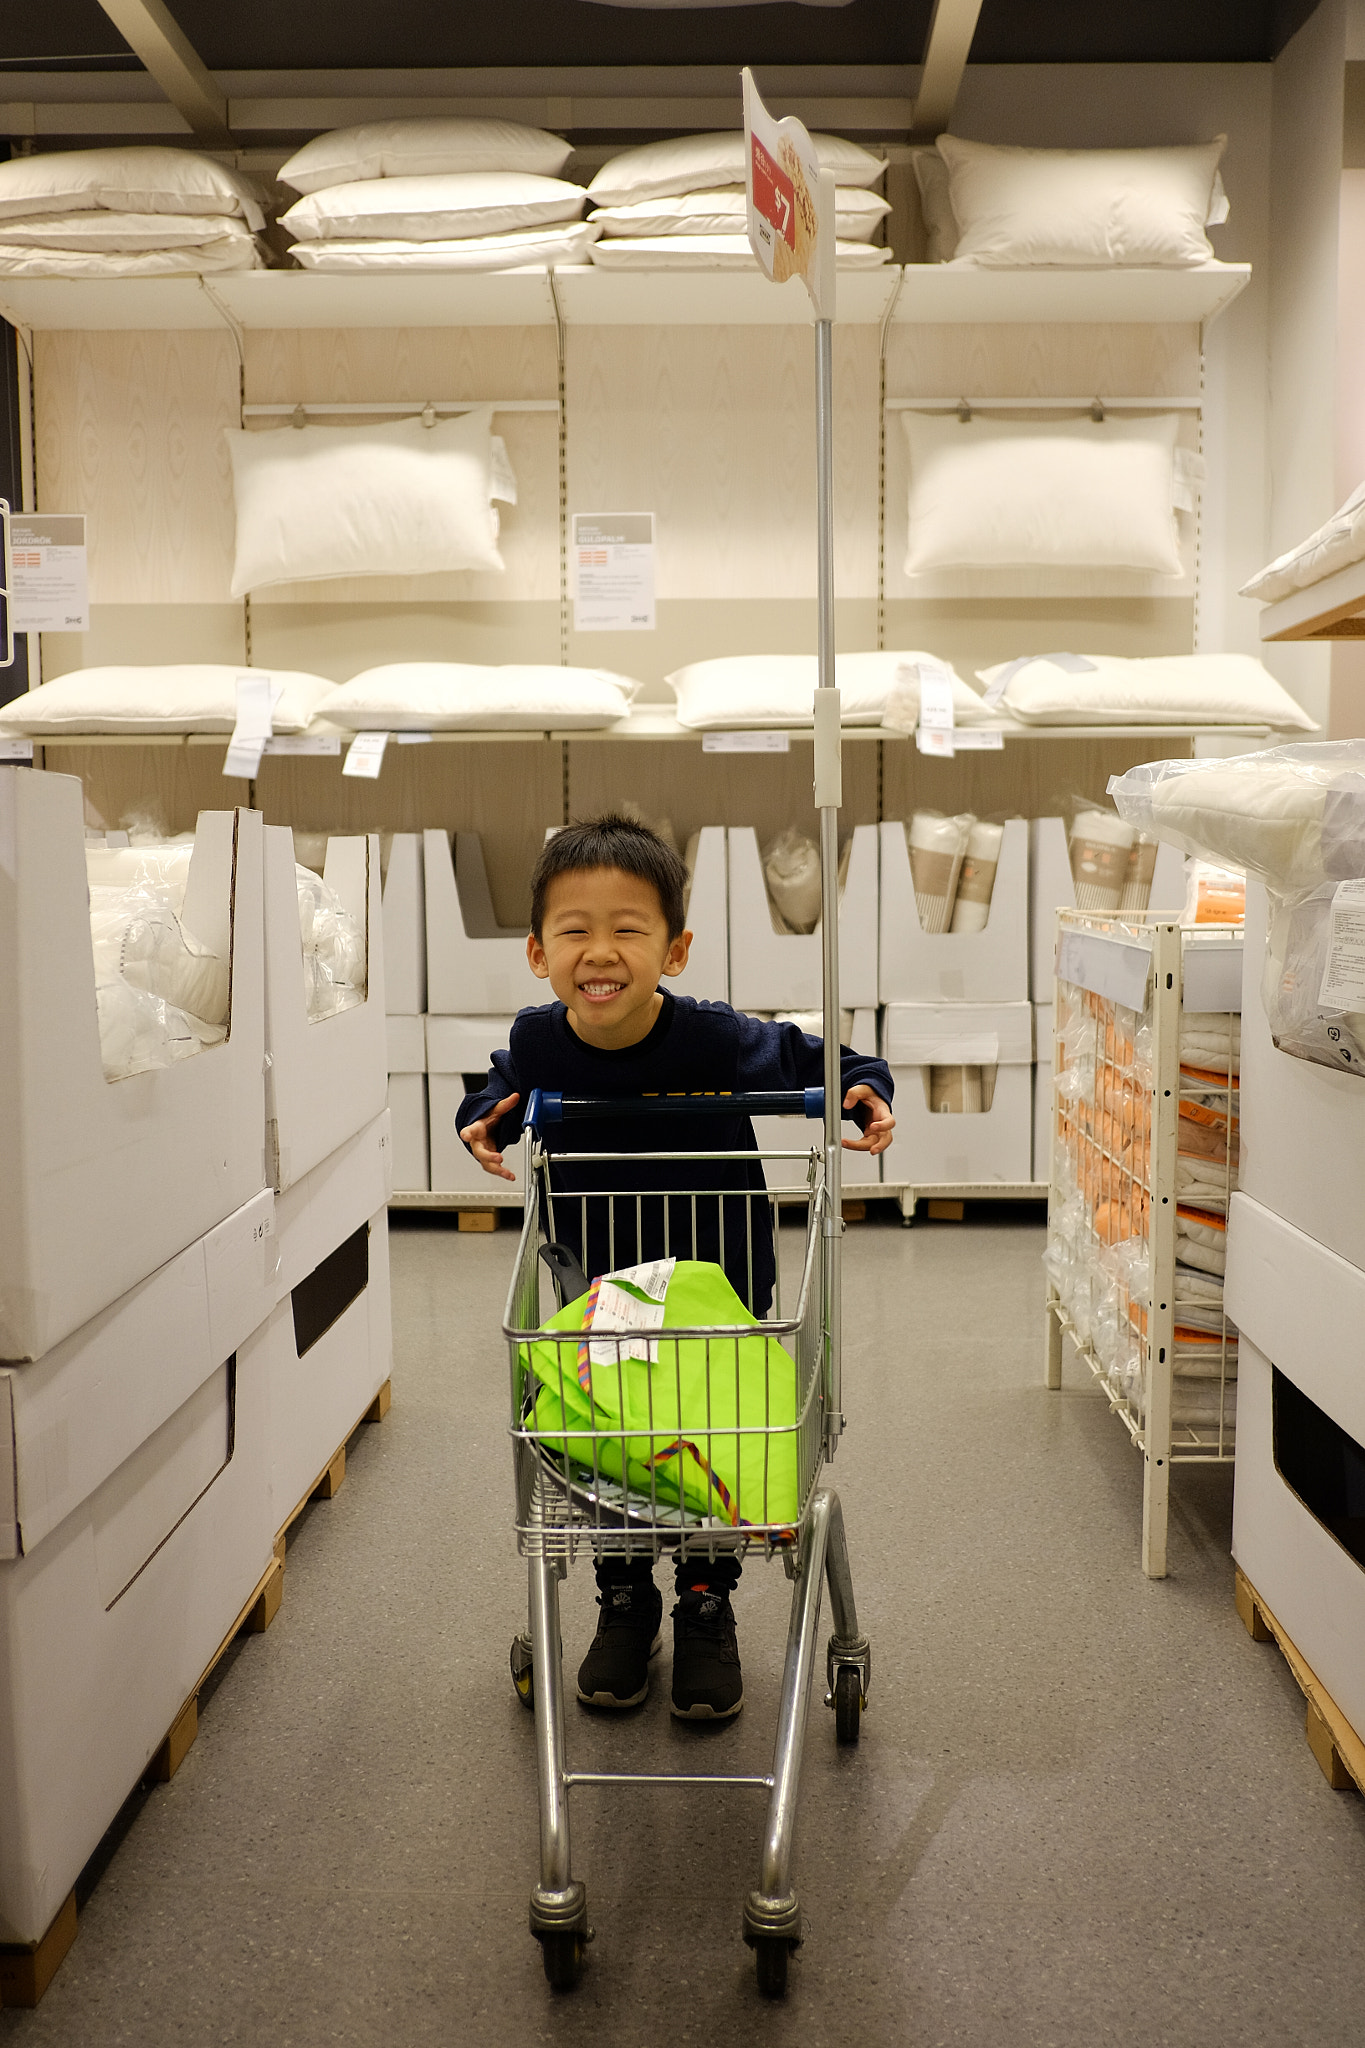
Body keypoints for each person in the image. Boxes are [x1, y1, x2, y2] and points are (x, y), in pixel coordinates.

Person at [457, 815, 894, 1723]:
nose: (600, 950)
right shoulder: (540, 1042)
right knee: (615, 1435)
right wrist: (488, 1114)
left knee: (706, 1431)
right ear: (539, 953)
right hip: (599, 1297)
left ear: (676, 948)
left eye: (629, 928)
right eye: (574, 930)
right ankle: (625, 1598)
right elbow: (497, 1081)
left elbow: (821, 1059)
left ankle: (705, 1600)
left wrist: (862, 1087)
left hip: (719, 1283)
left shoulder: (713, 1040)